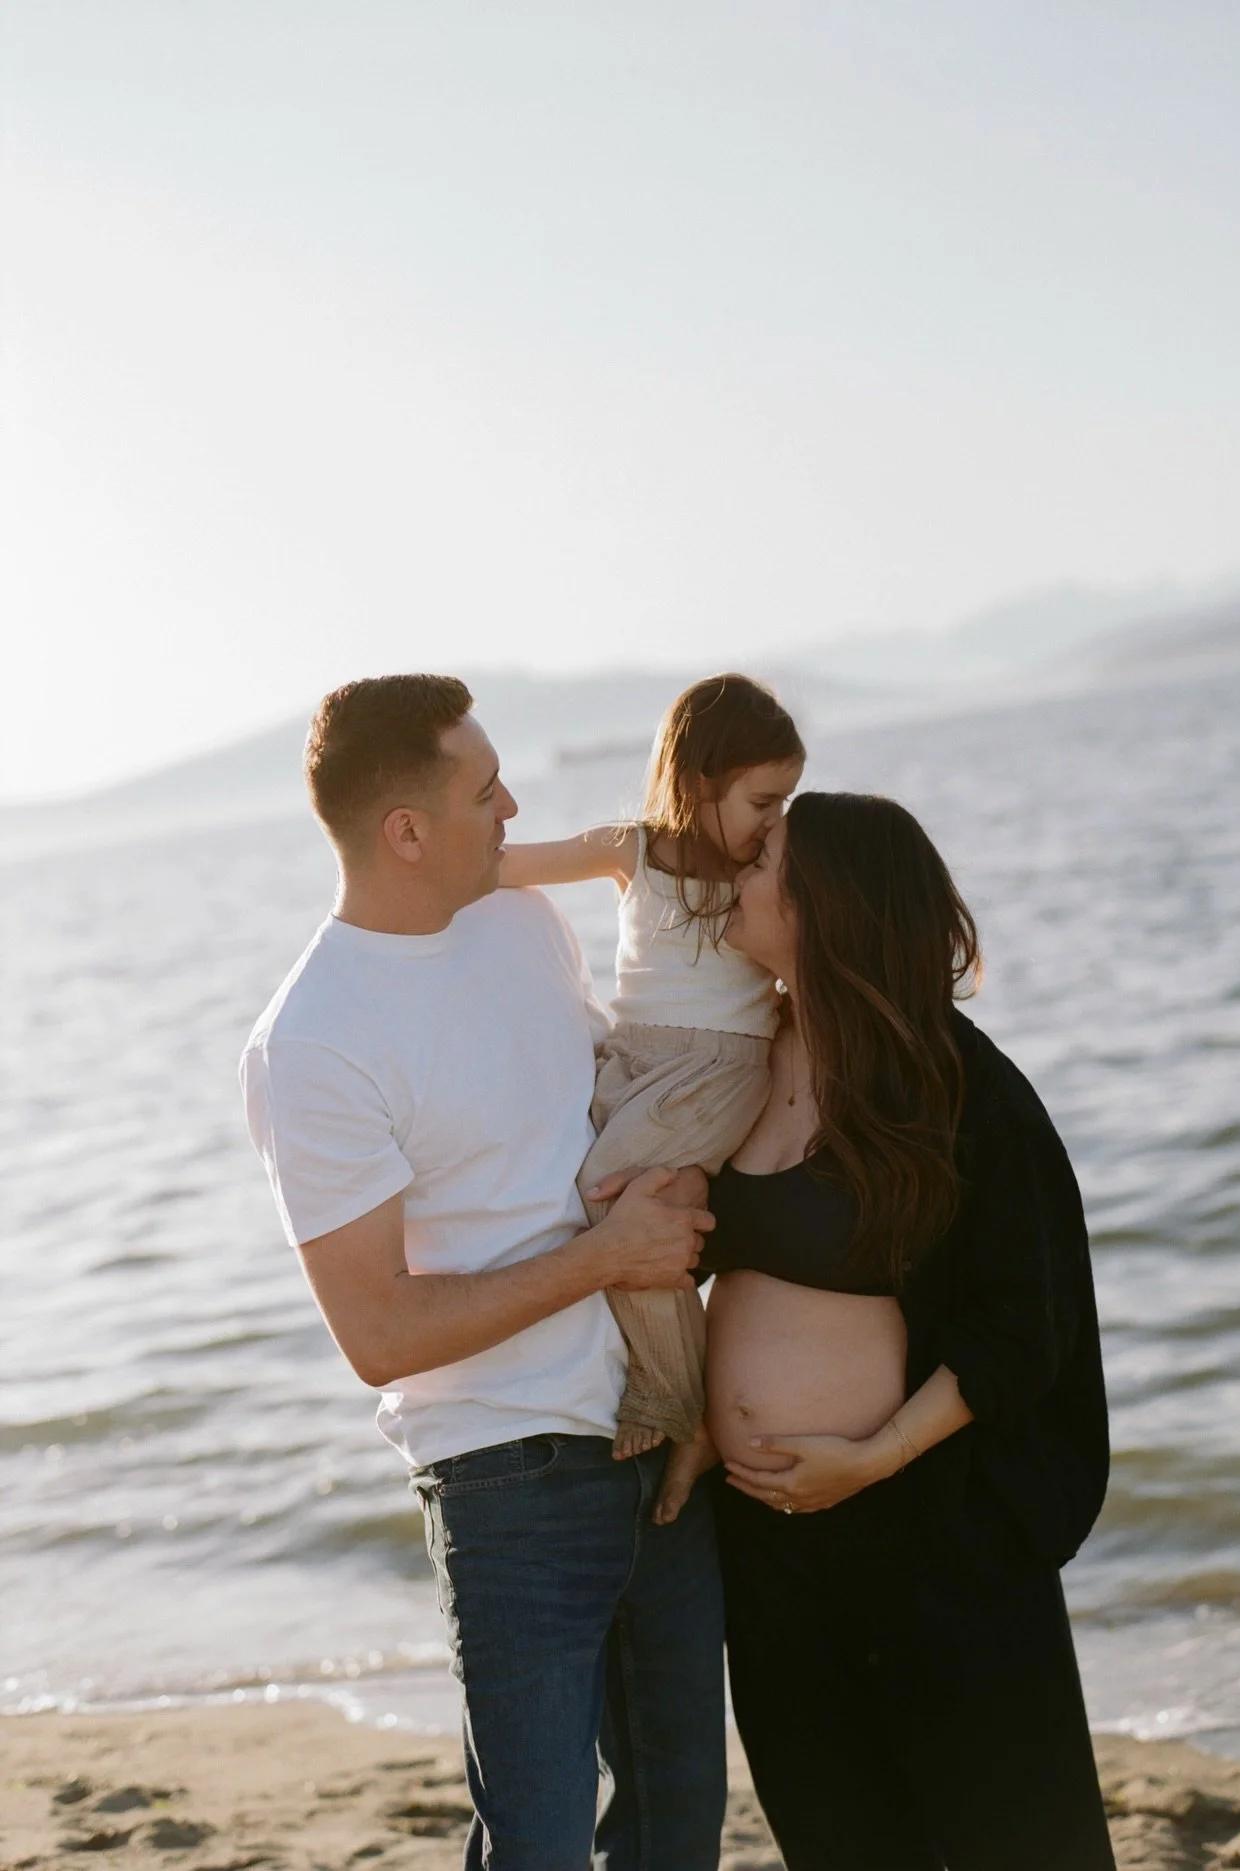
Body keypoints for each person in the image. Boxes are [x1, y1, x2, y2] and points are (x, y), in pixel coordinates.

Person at [239, 674, 727, 1871]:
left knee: (677, 1832)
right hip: (508, 1483)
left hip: (656, 1435)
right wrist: (605, 1256)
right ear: (406, 831)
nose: (513, 803)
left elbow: (607, 1122)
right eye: (484, 786)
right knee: (542, 1846)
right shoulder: (313, 1041)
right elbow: (381, 1333)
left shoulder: (522, 923)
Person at [672, 791, 1117, 1871]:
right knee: (841, 1841)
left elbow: (1025, 1320)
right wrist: (694, 1421)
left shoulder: (959, 1086)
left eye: (766, 850)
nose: (739, 859)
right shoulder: (745, 1055)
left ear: (828, 901)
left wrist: (874, 1456)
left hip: (932, 1538)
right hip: (770, 1550)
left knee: (1015, 1840)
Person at [498, 672, 803, 1500]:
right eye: (764, 801)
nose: (778, 823)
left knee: (615, 1196)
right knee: (597, 1187)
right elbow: (504, 865)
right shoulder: (629, 849)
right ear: (702, 781)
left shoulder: (758, 880)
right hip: (632, 1064)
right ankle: (645, 1370)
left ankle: (678, 1393)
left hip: (715, 1072)